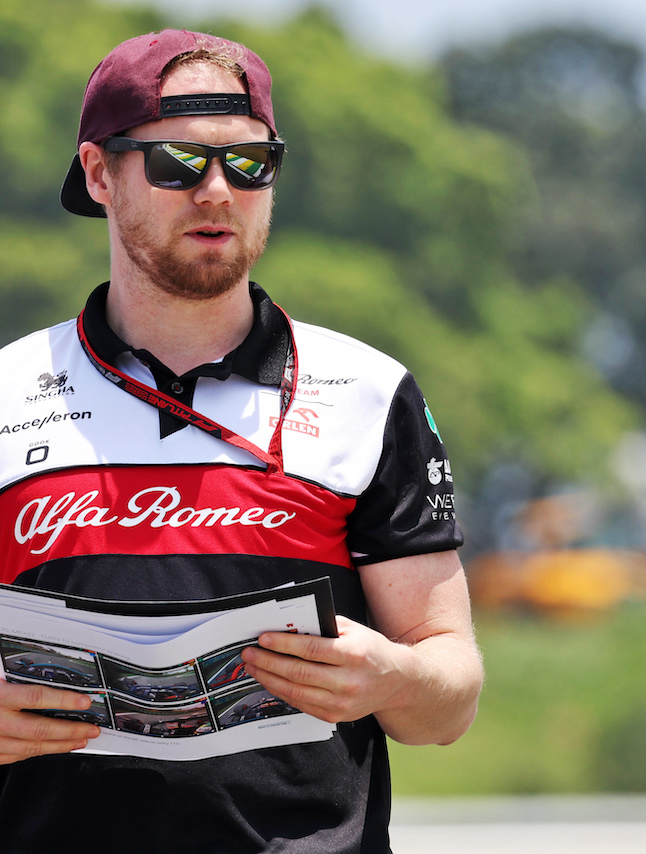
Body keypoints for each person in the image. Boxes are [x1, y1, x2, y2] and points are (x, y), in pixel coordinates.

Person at [0, 29, 483, 853]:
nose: (218, 191)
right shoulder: (6, 391)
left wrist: (392, 678)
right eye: (178, 164)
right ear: (97, 174)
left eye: (250, 163)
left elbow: (451, 699)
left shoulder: (370, 392)